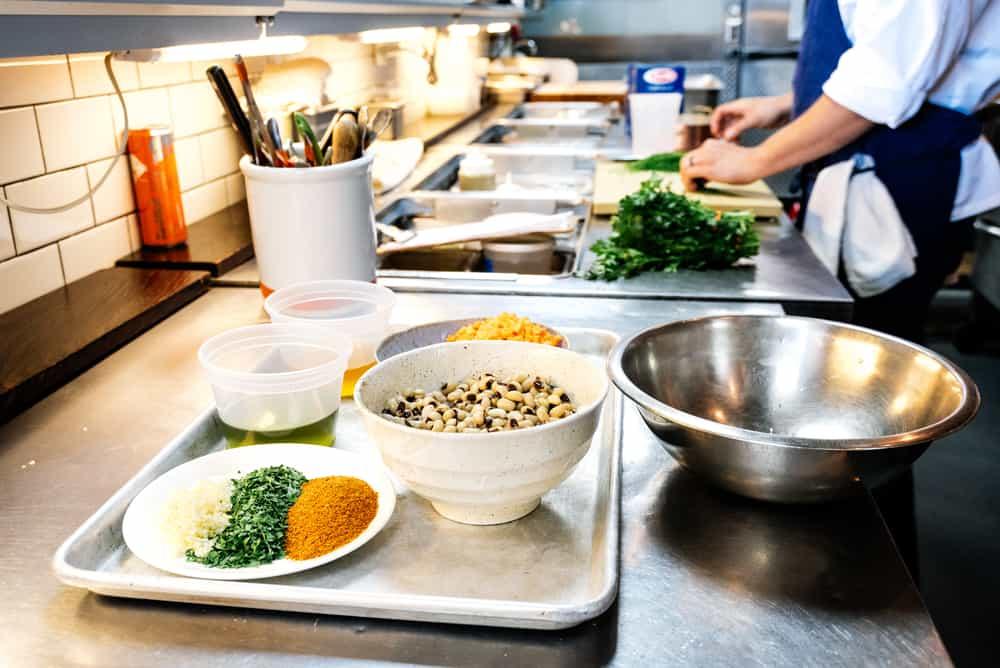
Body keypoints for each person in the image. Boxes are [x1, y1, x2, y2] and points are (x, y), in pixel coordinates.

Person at [680, 0, 1000, 342]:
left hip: (904, 183)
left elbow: (884, 80)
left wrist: (753, 160)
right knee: (834, 346)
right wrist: (786, 104)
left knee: (872, 349)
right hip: (864, 174)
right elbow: (878, 52)